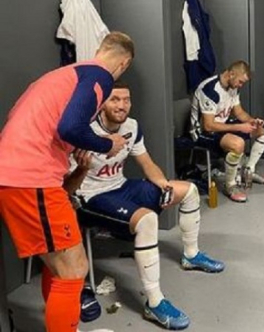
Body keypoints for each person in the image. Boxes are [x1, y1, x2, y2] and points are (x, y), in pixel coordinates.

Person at [0, 32, 133, 332]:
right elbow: (71, 126)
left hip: (20, 174)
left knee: (61, 268)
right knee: (74, 269)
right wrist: (106, 143)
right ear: (123, 63)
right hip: (28, 177)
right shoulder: (100, 77)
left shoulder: (64, 75)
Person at [65, 82, 224, 330]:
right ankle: (154, 303)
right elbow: (68, 190)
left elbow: (147, 163)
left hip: (122, 187)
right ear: (101, 104)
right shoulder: (84, 133)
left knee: (189, 190)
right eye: (114, 99)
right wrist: (84, 167)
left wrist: (163, 185)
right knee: (148, 219)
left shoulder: (132, 126)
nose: (121, 105)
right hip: (91, 197)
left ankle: (191, 256)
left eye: (126, 99)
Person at [190, 61, 264, 203]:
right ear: (231, 74)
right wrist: (239, 127)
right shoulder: (210, 89)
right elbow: (208, 126)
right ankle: (230, 186)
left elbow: (239, 113)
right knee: (238, 144)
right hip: (202, 133)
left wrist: (252, 121)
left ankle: (248, 171)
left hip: (222, 125)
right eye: (240, 82)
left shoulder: (232, 87)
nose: (241, 86)